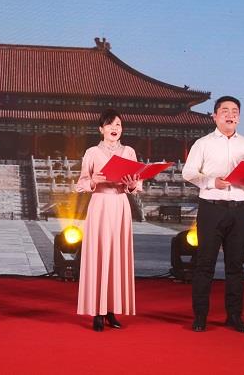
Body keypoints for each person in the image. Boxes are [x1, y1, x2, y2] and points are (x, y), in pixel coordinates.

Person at [182, 96, 244, 333]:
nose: (230, 115)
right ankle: (200, 316)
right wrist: (212, 181)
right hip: (211, 208)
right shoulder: (203, 144)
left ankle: (235, 316)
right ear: (215, 116)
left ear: (239, 117)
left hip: (240, 210)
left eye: (235, 111)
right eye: (225, 111)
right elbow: (188, 173)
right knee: (204, 264)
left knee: (236, 266)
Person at [76, 109, 142, 331]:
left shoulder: (129, 152)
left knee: (117, 256)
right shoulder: (92, 152)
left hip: (120, 204)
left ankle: (112, 309)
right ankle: (97, 311)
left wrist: (131, 184)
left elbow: (136, 184)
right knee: (99, 255)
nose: (115, 128)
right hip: (100, 203)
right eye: (110, 124)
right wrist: (93, 180)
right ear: (101, 129)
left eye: (118, 125)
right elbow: (81, 183)